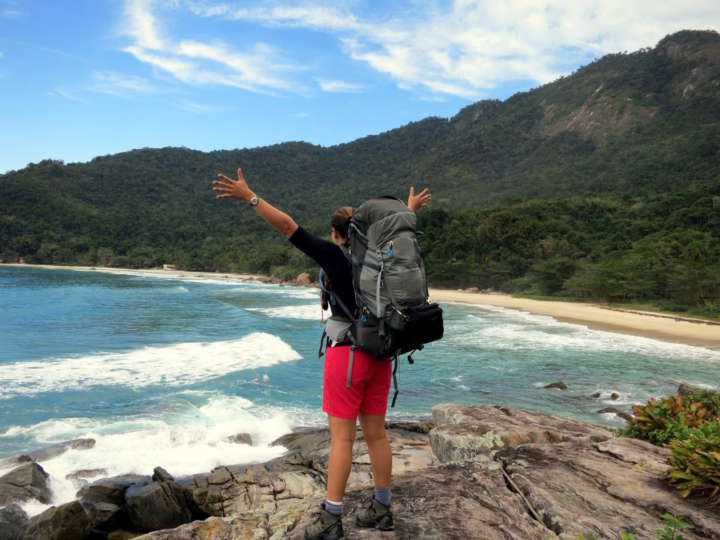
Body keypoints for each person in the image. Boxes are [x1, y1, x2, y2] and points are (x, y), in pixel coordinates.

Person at [212, 168, 431, 539]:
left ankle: (331, 518)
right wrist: (407, 210)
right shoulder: (379, 260)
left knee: (343, 439)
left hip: (346, 356)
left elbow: (288, 227)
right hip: (382, 354)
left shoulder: (334, 257)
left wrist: (250, 197)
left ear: (337, 234)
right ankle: (382, 507)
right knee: (377, 434)